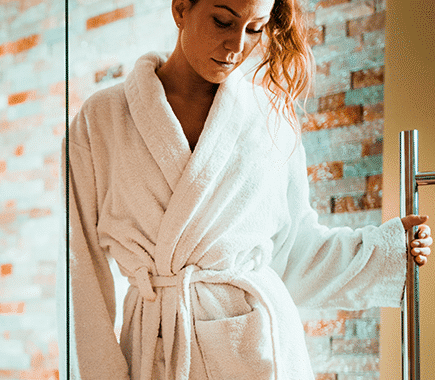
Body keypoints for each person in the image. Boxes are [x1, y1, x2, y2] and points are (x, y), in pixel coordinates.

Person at [65, 0, 432, 378]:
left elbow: (296, 253)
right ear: (180, 10)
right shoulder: (101, 119)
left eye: (255, 28)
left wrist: (387, 249)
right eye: (223, 21)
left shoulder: (271, 117)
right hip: (153, 349)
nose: (237, 45)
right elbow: (82, 269)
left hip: (256, 353)